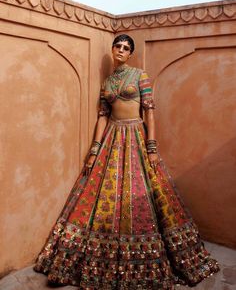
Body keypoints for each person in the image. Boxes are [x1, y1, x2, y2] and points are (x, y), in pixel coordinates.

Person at [34, 34, 219, 289]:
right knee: (102, 194)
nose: (120, 50)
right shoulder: (108, 81)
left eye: (126, 48)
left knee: (143, 193)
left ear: (130, 53)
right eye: (117, 46)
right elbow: (102, 116)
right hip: (111, 136)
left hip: (136, 136)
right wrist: (94, 149)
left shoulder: (139, 75)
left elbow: (149, 111)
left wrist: (152, 147)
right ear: (112, 49)